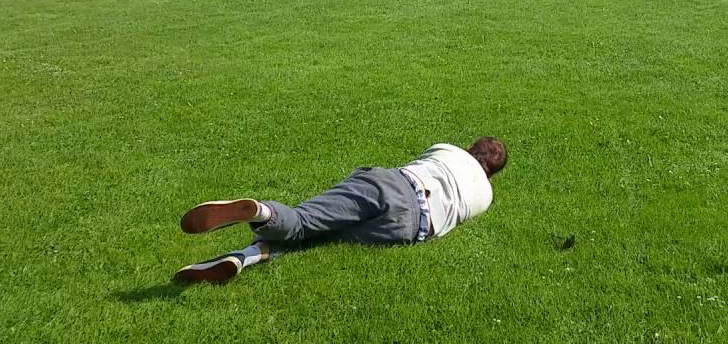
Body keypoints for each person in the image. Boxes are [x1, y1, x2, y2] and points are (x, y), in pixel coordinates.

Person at [174, 137, 508, 283]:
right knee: (320, 238)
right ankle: (245, 257)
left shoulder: (447, 150)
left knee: (306, 221)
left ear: (470, 148)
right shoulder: (486, 197)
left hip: (392, 184)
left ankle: (261, 212)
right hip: (410, 226)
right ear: (492, 174)